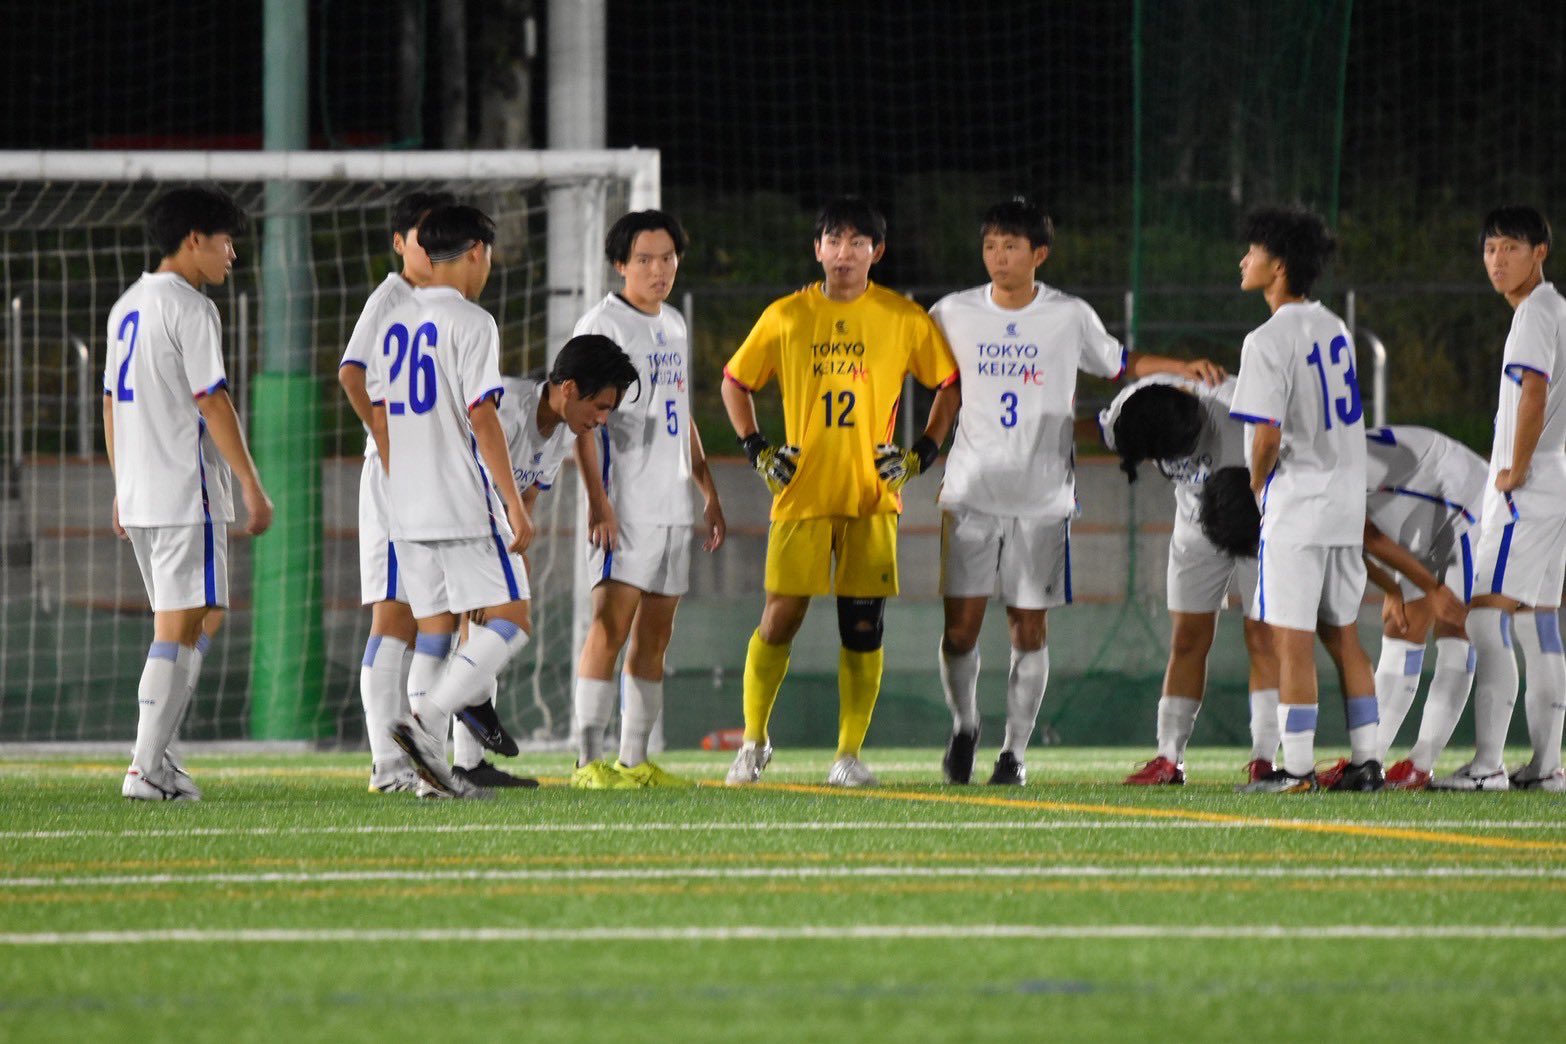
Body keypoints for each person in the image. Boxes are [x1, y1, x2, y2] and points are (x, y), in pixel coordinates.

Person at [931, 199, 1226, 786]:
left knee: (1028, 629)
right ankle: (965, 725)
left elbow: (1121, 363)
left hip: (1043, 499)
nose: (998, 257)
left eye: (1011, 246)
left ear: (1039, 253)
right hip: (970, 493)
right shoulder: (951, 312)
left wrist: (1180, 367)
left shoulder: (1068, 315)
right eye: (990, 246)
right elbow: (932, 377)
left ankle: (1014, 753)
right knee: (959, 630)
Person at [721, 195, 960, 787]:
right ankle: (753, 742)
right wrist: (757, 449)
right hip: (801, 493)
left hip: (870, 498)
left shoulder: (903, 317)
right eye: (834, 241)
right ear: (818, 249)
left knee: (863, 627)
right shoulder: (785, 316)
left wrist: (921, 456)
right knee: (780, 618)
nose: (844, 253)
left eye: (858, 242)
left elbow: (948, 387)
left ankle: (848, 755)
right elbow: (734, 381)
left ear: (877, 252)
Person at [104, 185, 273, 800]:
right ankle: (146, 767)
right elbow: (212, 398)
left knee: (205, 615)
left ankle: (159, 755)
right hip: (183, 490)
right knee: (175, 628)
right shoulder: (191, 308)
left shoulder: (126, 304)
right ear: (195, 239)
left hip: (144, 490)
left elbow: (109, 401)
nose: (232, 254)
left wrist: (121, 483)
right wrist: (252, 486)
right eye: (227, 241)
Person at [367, 204, 533, 799]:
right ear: (474, 253)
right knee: (512, 618)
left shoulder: (395, 322)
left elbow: (380, 408)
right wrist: (513, 501)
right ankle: (424, 724)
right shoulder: (473, 322)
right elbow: (481, 413)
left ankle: (430, 779)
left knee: (436, 631)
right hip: (460, 499)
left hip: (404, 504)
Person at [1226, 205, 1380, 793]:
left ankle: (1294, 769)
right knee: (1343, 635)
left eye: (1254, 251)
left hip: (1300, 501)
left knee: (1288, 641)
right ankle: (1367, 762)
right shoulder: (1335, 326)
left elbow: (1265, 434)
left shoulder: (1267, 337)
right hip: (1345, 500)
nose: (1244, 260)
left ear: (1279, 265)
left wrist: (1257, 483)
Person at [569, 210, 726, 789]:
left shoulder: (676, 325)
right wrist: (598, 503)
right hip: (625, 506)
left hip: (672, 507)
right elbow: (579, 420)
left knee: (655, 637)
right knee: (609, 630)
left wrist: (706, 489)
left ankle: (635, 762)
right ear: (620, 264)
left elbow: (679, 411)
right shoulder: (602, 325)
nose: (658, 270)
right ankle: (587, 761)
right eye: (644, 260)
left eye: (667, 258)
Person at [444, 335, 641, 788]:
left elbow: (527, 497)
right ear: (569, 388)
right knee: (436, 641)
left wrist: (512, 554)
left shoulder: (560, 434)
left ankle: (467, 764)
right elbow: (466, 479)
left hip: (481, 538)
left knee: (485, 636)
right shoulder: (506, 408)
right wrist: (481, 566)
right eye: (602, 406)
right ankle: (414, 756)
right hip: (444, 524)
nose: (603, 419)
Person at [1434, 206, 1566, 792]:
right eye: (1490, 248)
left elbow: (1534, 391)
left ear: (1541, 251)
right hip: (1556, 485)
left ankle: (1487, 764)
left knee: (1485, 619)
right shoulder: (1558, 309)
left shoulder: (1535, 314)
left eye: (1511, 247)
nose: (1497, 260)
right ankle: (1545, 766)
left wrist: (1516, 466)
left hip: (1531, 488)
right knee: (1540, 624)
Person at [1100, 375, 1278, 785]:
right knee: (1186, 638)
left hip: (1259, 519)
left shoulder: (1242, 410)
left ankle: (1265, 758)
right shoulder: (1131, 412)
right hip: (1197, 524)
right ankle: (1168, 758)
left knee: (1262, 635)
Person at [338, 190, 453, 793]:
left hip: (431, 479)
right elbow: (350, 369)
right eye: (421, 234)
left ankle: (423, 756)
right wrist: (380, 430)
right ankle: (387, 765)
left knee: (425, 619)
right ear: (400, 242)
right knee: (393, 618)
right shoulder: (390, 297)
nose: (431, 245)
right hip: (394, 480)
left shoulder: (446, 300)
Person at [1333, 425, 1483, 790]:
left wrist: (1431, 588)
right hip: (1418, 507)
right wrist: (1391, 587)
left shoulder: (1318, 467)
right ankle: (1371, 757)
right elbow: (1348, 539)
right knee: (1401, 626)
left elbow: (1364, 535)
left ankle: (1422, 761)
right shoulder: (1304, 465)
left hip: (1462, 498)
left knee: (1455, 625)